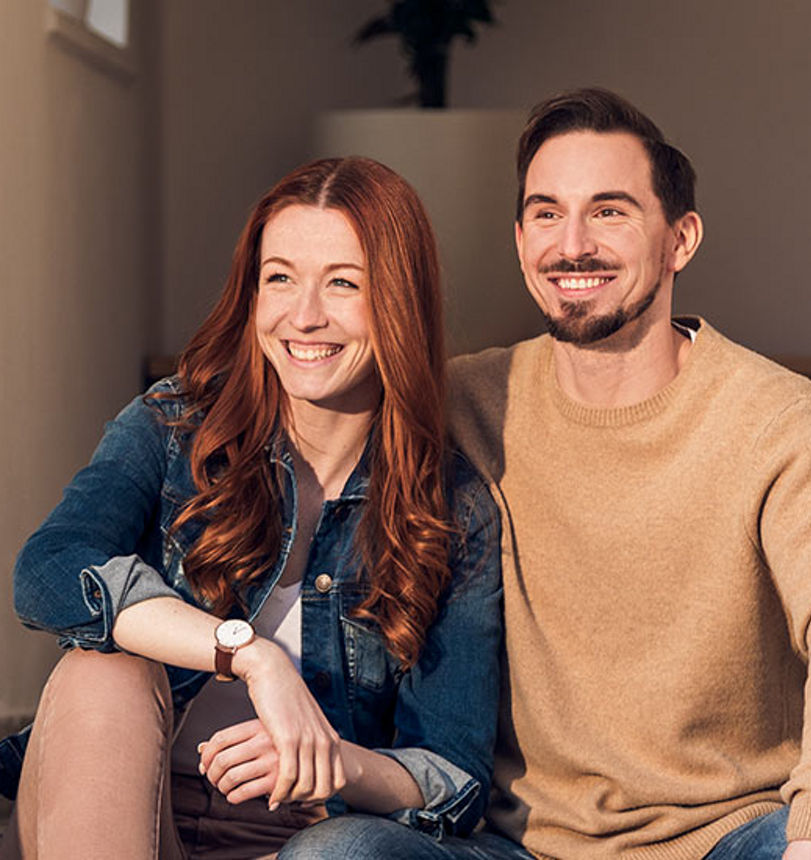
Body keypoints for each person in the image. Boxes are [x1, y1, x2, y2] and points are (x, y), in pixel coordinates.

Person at [282, 89, 811, 860]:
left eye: (610, 212)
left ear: (680, 239)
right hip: (518, 848)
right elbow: (297, 412)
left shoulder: (772, 415)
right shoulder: (463, 402)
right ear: (520, 242)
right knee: (336, 856)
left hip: (726, 836)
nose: (572, 244)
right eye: (547, 214)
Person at [0, 156, 502, 859]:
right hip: (115, 805)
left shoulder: (451, 508)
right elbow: (49, 569)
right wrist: (249, 655)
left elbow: (456, 777)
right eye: (280, 279)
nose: (304, 315)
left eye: (342, 284)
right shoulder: (173, 429)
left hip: (297, 838)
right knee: (102, 669)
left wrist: (331, 757)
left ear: (399, 300)